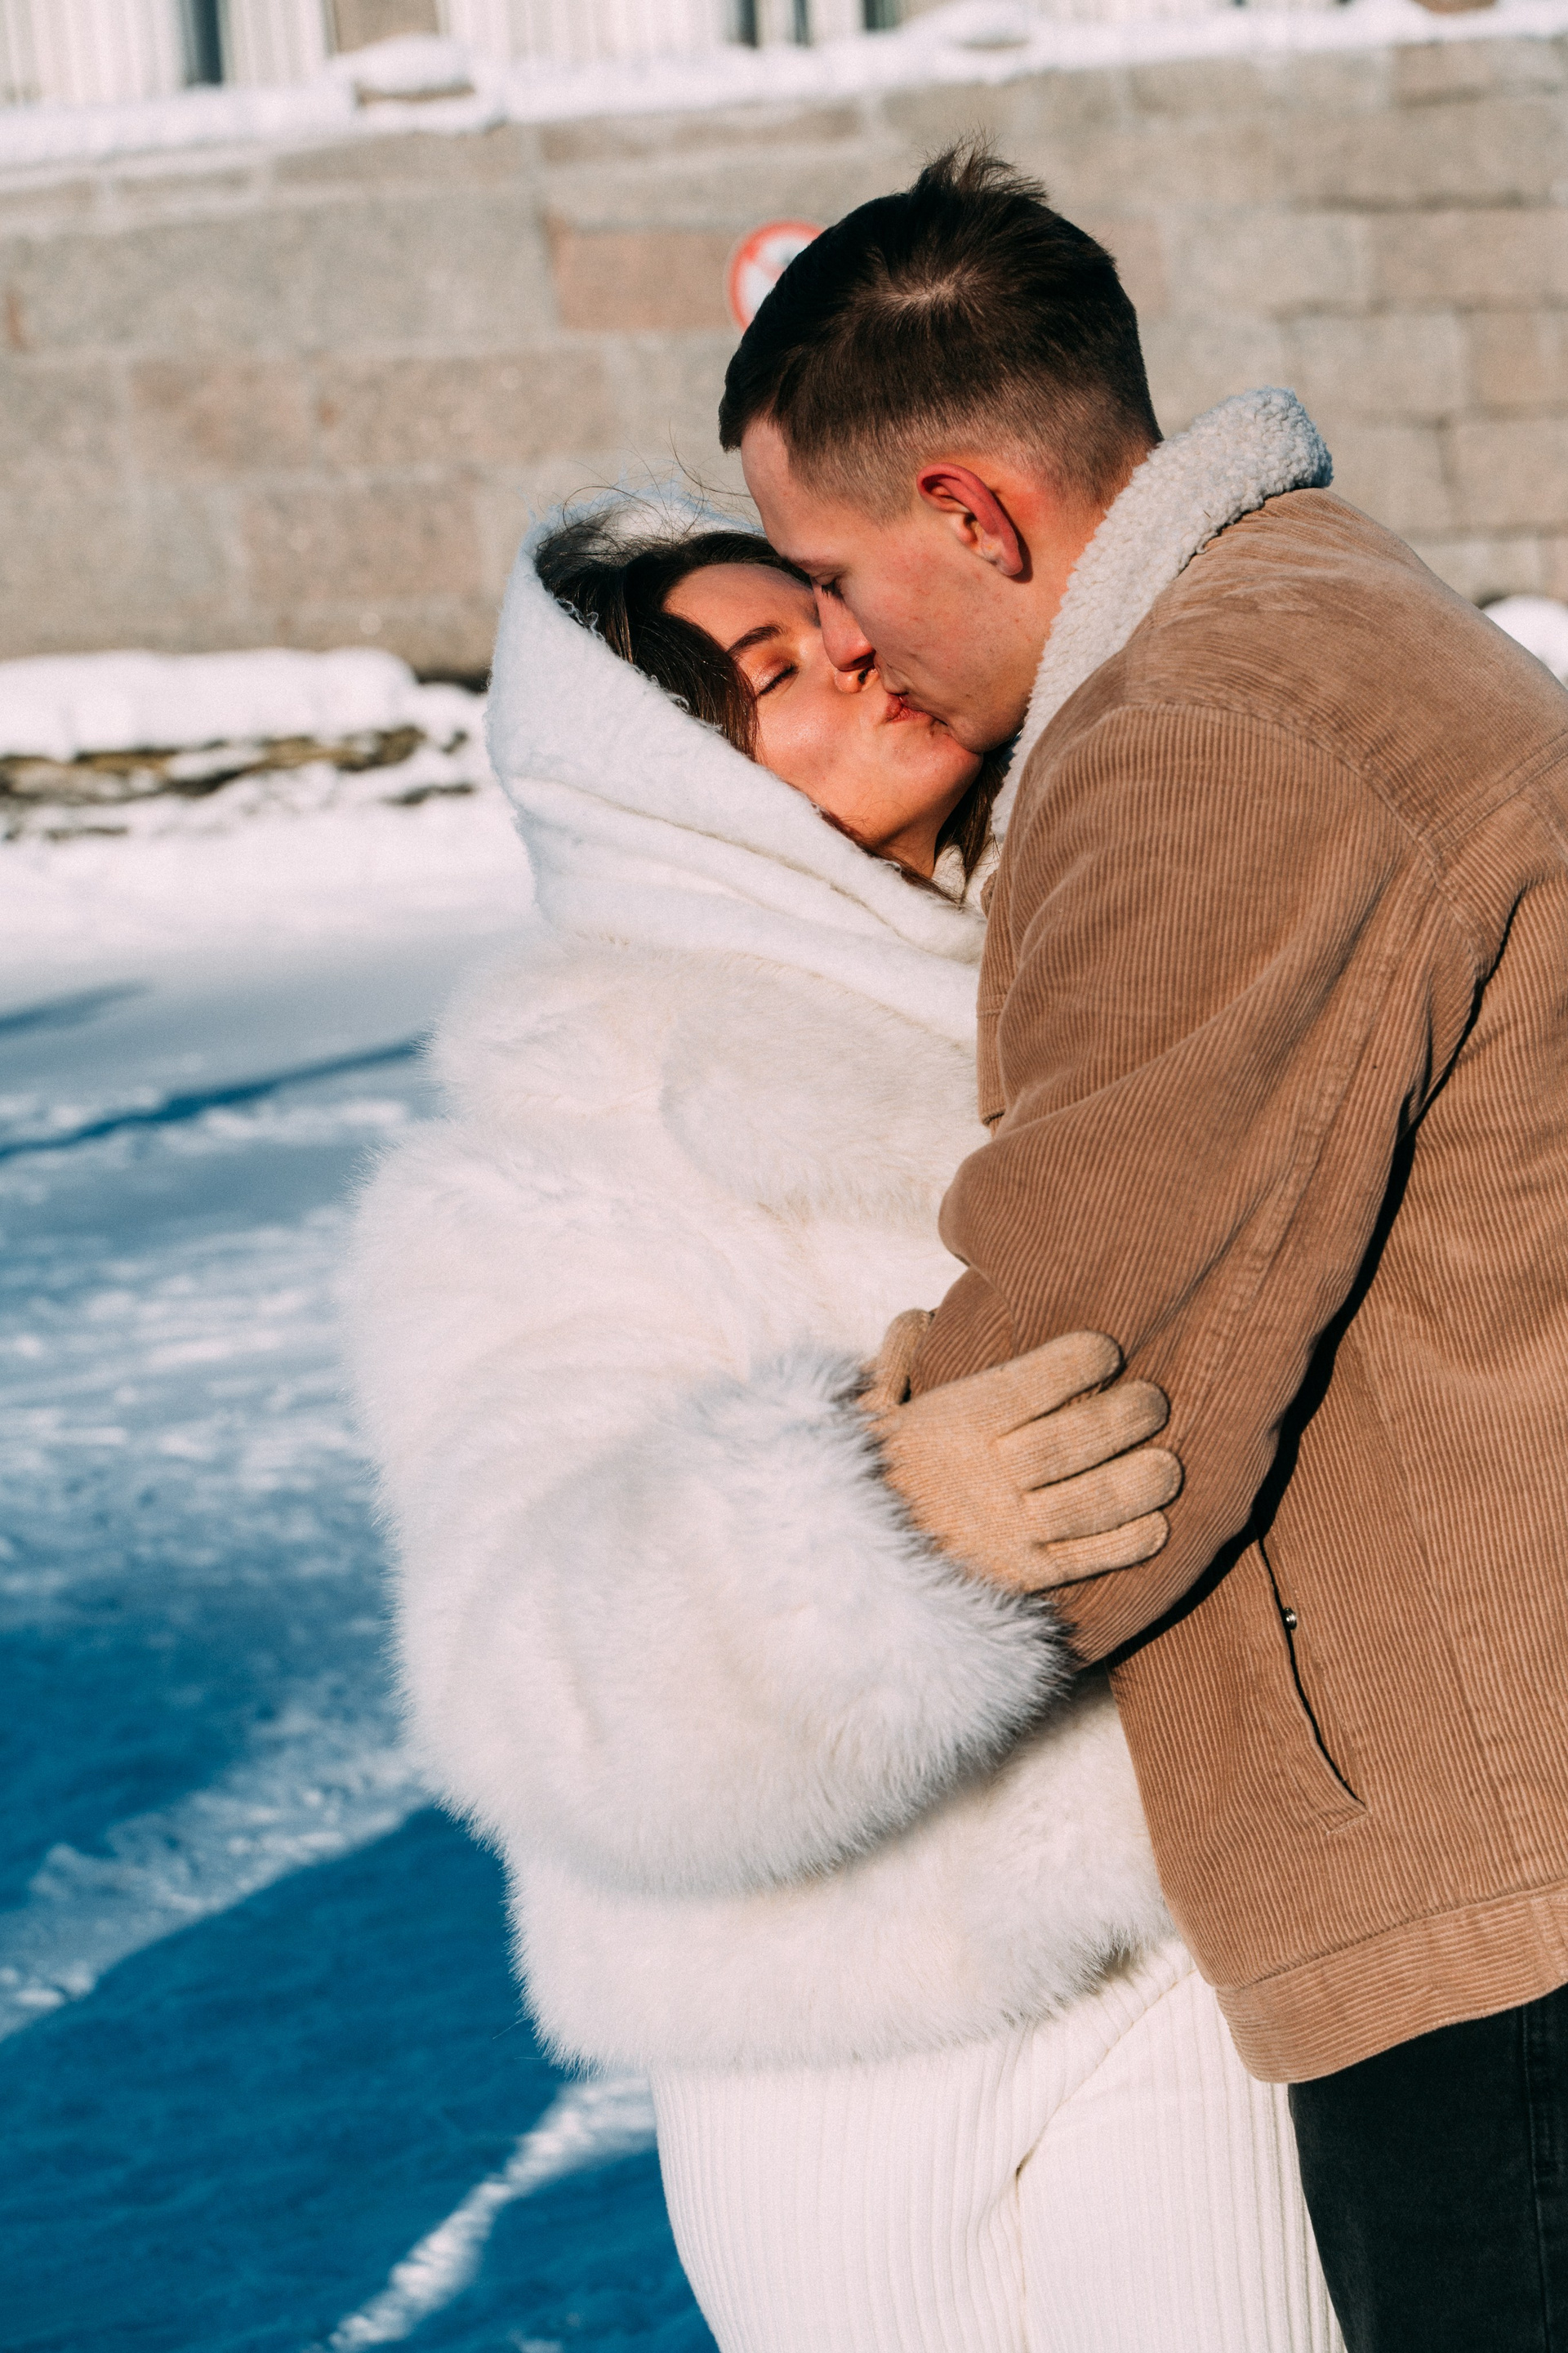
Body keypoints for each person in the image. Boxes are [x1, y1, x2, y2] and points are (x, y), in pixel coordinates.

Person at [723, 141, 1568, 2351]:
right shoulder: (1318, 619)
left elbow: (1090, 1385)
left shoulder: (1208, 736)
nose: (838, 638)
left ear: (974, 512)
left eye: (833, 573)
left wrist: (803, 1556)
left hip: (1498, 1896)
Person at [345, 505, 1344, 2350]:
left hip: (1188, 1946)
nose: (855, 653)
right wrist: (876, 1527)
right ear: (664, 788)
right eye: (772, 673)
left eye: (829, 612)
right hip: (824, 2038)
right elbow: (524, 1683)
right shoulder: (564, 1142)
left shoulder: (1120, 961)